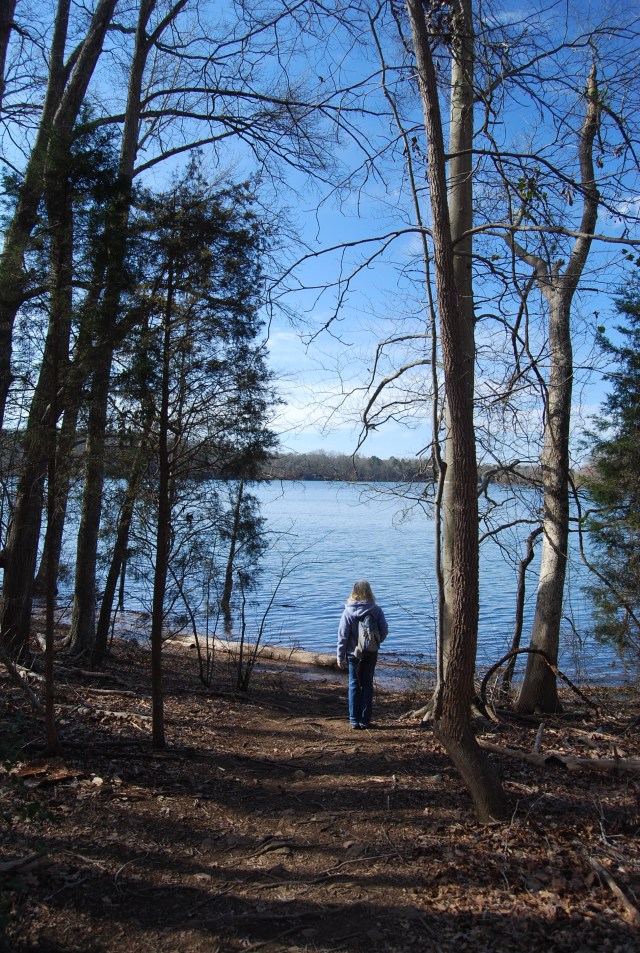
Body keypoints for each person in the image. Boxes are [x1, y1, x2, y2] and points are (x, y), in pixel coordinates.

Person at [336, 579, 388, 729]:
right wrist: (376, 643)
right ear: (369, 592)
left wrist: (340, 656)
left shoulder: (347, 611)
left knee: (353, 684)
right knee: (367, 684)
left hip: (353, 653)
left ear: (354, 593)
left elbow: (342, 636)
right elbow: (384, 630)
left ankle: (353, 720)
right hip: (371, 652)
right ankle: (364, 720)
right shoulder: (376, 610)